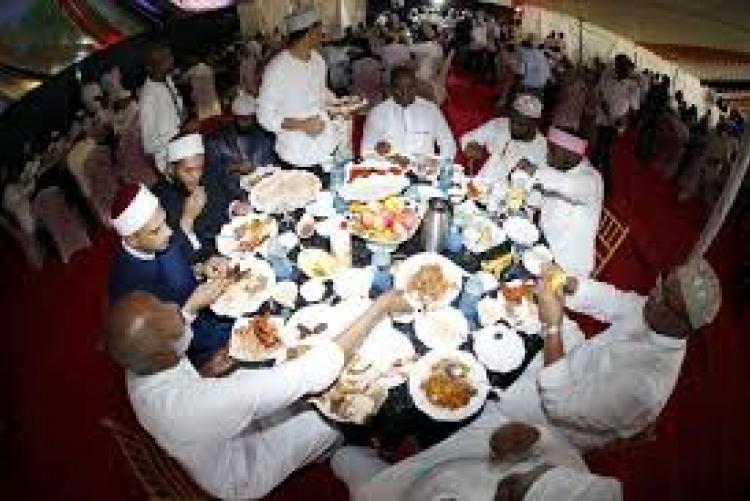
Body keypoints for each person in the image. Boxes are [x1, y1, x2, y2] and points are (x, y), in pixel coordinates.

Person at [105, 290, 412, 499]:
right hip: (241, 468)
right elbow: (314, 371)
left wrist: (206, 373)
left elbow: (179, 384)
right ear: (165, 355)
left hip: (208, 436)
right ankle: (345, 451)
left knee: (278, 375)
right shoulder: (197, 406)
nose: (176, 308)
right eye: (175, 322)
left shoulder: (138, 365)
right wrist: (379, 308)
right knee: (334, 419)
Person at [499, 258, 721, 450]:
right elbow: (613, 301)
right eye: (662, 283)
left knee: (498, 393)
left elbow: (559, 405)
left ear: (683, 325)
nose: (653, 294)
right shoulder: (656, 311)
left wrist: (552, 328)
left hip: (559, 425)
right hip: (571, 362)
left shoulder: (645, 387)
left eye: (665, 296)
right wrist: (565, 282)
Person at [331, 403, 621, 500]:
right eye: (531, 473)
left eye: (516, 492)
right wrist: (530, 435)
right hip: (464, 456)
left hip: (404, 490)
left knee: (343, 458)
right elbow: (552, 443)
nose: (511, 478)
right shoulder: (575, 477)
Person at [108, 183, 234, 366]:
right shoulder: (131, 290)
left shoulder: (157, 241)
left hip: (212, 309)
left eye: (164, 221)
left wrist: (201, 268)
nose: (168, 232)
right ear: (132, 239)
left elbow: (178, 271)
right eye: (156, 230)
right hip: (195, 345)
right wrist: (190, 309)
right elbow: (162, 349)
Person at [257, 6, 338, 168]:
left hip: (326, 145)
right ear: (309, 33)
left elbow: (321, 92)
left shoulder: (318, 60)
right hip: (296, 154)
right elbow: (264, 116)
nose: (322, 35)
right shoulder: (278, 68)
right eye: (319, 31)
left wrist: (340, 105)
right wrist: (302, 125)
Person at [519, 127, 603, 277]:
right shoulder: (561, 167)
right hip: (541, 247)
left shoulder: (591, 179)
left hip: (566, 267)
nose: (547, 155)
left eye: (552, 151)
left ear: (570, 154)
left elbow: (566, 185)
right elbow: (539, 198)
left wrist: (534, 171)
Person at [152, 133, 246, 263]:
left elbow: (225, 198)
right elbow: (175, 255)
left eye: (200, 168)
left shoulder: (208, 172)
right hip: (209, 260)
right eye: (188, 171)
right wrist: (188, 219)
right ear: (171, 169)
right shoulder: (161, 200)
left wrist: (234, 207)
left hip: (239, 240)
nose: (197, 176)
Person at [362, 66, 456, 159]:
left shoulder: (431, 110)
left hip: (425, 167)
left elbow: (448, 144)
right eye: (399, 88)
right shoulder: (378, 112)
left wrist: (440, 164)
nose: (404, 93)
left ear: (416, 87)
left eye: (410, 87)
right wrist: (377, 151)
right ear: (391, 88)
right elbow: (366, 150)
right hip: (390, 167)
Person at [461, 94, 547, 180]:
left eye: (521, 124)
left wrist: (531, 170)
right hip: (482, 182)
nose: (514, 127)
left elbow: (543, 176)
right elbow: (468, 138)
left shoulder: (540, 145)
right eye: (512, 121)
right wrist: (471, 145)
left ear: (534, 124)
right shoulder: (499, 124)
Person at [590, 54, 639, 194]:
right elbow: (598, 92)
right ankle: (597, 181)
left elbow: (634, 109)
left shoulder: (632, 86)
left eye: (625, 67)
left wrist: (623, 119)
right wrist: (602, 103)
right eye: (619, 66)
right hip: (602, 120)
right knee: (600, 150)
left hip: (615, 124)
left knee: (604, 152)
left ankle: (605, 185)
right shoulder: (607, 77)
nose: (621, 69)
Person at [139, 43, 190, 174]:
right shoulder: (148, 98)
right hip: (170, 160)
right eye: (164, 59)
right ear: (149, 67)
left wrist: (181, 113)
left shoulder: (167, 79)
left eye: (169, 55)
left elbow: (176, 110)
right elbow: (149, 145)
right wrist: (181, 130)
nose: (171, 60)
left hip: (184, 147)